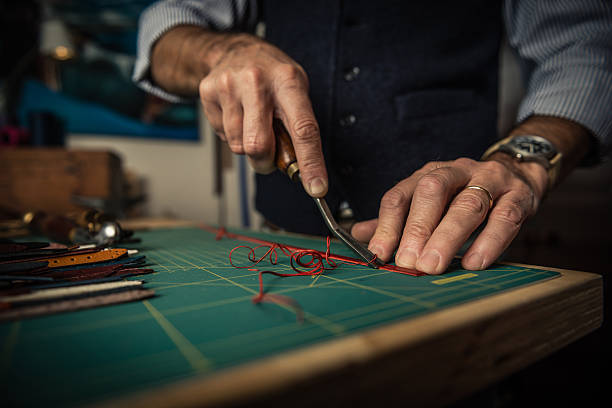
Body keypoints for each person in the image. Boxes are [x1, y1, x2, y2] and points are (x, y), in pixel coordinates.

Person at [133, 0, 611, 274]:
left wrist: (520, 163)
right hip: (287, 244)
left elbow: (586, 45)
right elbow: (164, 25)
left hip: (452, 259)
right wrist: (222, 50)